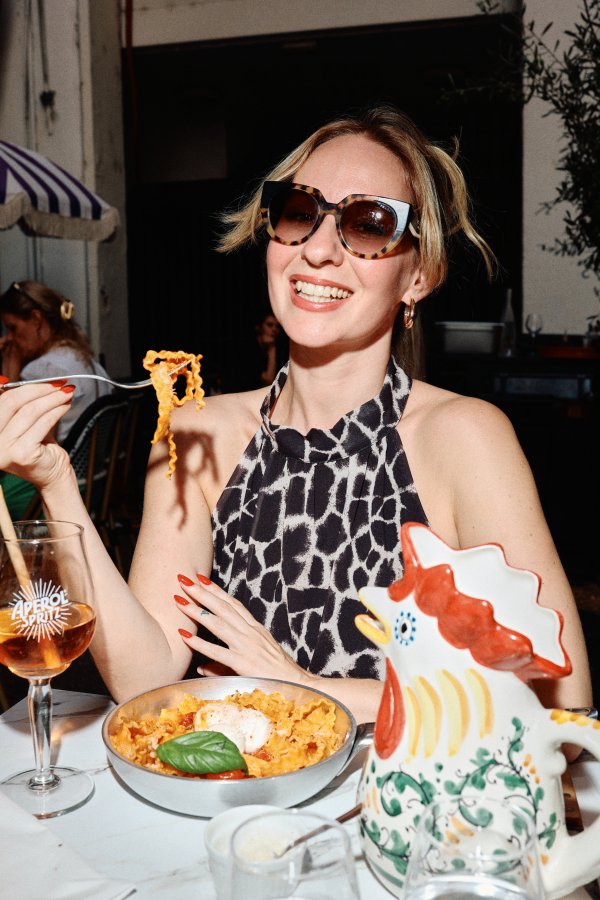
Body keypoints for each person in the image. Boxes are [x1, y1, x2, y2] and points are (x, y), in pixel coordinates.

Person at [0, 106, 592, 729]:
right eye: (299, 212)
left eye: (369, 224)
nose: (319, 249)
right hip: (240, 789)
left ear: (419, 275)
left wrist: (308, 689)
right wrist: (56, 480)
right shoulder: (195, 433)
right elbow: (143, 679)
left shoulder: (464, 437)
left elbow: (564, 697)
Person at [0, 280, 112, 516]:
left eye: (13, 328)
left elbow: (20, 441)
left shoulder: (45, 370)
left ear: (36, 319)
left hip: (56, 486)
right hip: (95, 481)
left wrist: (10, 373)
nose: (9, 338)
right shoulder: (87, 362)